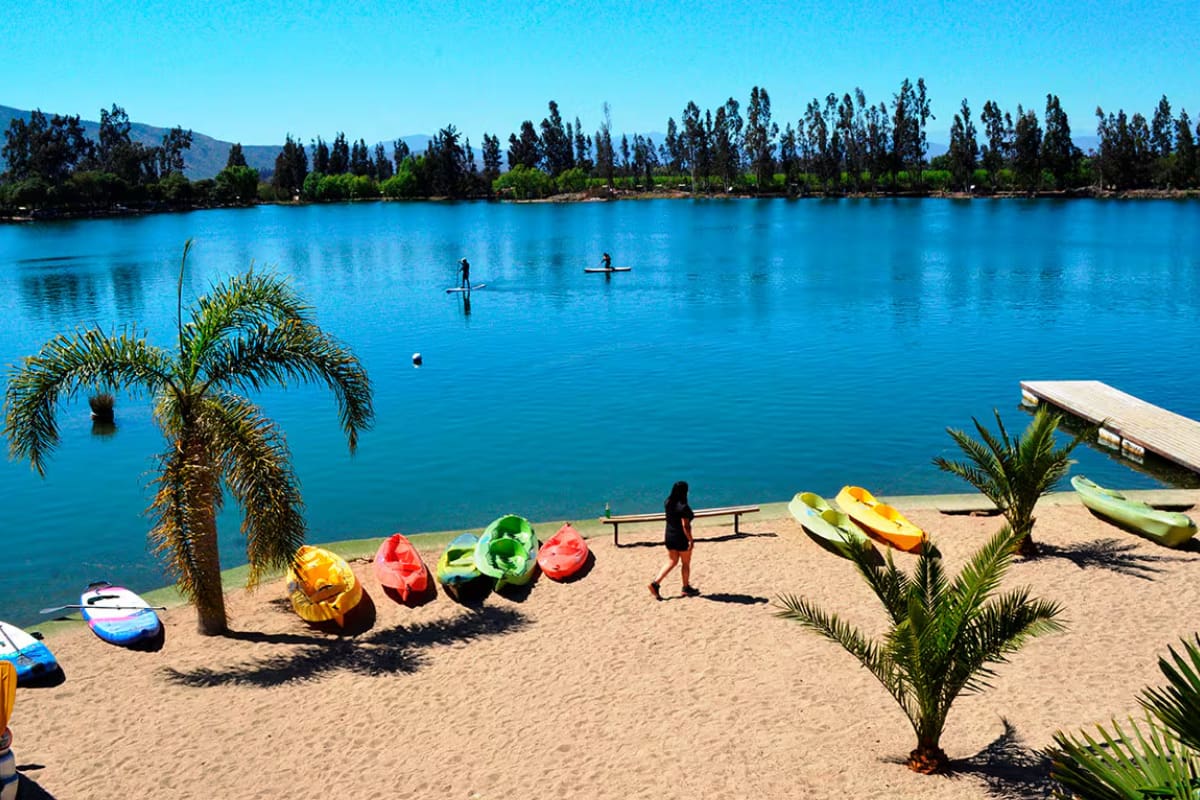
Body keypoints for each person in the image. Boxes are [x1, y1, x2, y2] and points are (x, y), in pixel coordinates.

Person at [648, 480, 700, 600]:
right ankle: (686, 588)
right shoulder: (683, 507)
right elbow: (685, 526)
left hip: (669, 536)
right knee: (685, 563)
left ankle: (655, 583)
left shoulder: (668, 502)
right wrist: (691, 540)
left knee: (672, 561)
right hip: (681, 537)